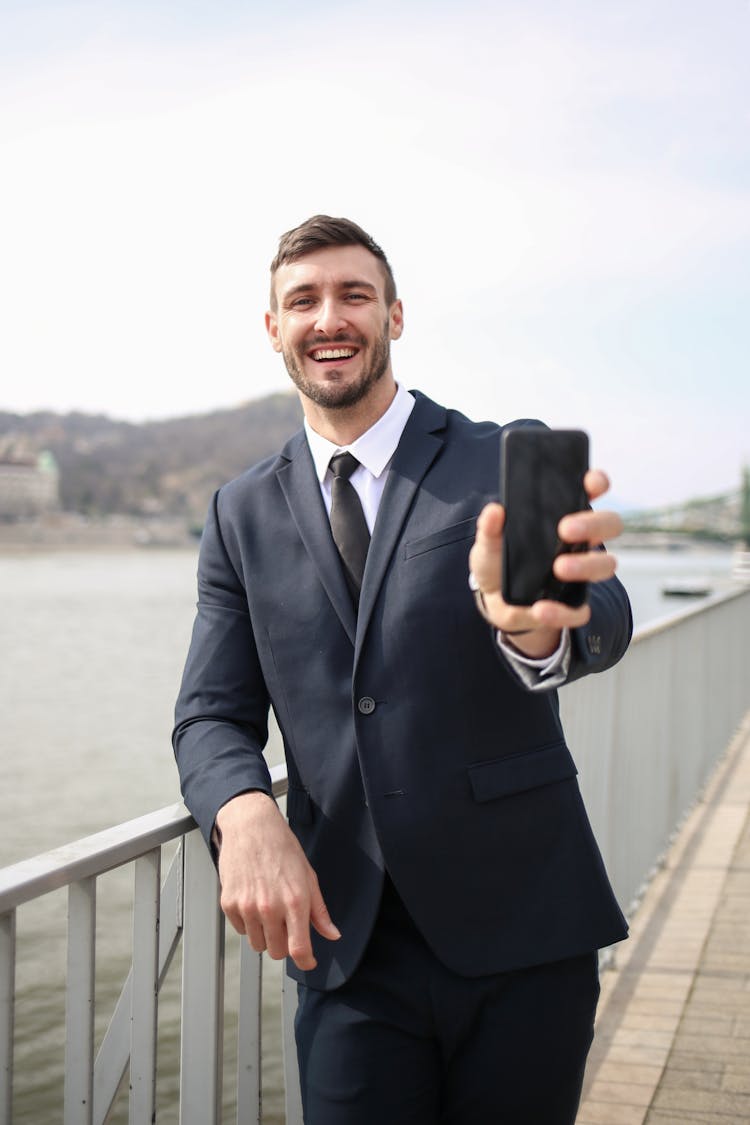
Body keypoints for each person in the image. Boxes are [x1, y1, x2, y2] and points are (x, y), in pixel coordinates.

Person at [173, 215, 632, 1124]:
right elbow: (209, 714)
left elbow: (599, 615)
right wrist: (243, 810)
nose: (329, 317)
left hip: (525, 928)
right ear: (275, 327)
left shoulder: (503, 456)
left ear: (395, 315)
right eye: (303, 299)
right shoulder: (239, 513)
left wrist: (537, 632)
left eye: (354, 294)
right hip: (349, 951)